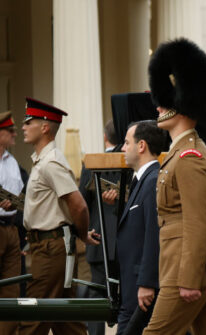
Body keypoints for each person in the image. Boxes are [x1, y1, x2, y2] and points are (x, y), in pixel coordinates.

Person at [143, 38, 206, 334]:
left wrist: (189, 278)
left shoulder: (189, 157)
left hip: (188, 267)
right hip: (190, 263)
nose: (158, 107)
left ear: (181, 107)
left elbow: (196, 221)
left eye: (165, 102)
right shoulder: (180, 153)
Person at [18, 97, 100, 335]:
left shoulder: (50, 163)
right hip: (49, 245)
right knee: (66, 320)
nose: (23, 127)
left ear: (44, 127)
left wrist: (82, 234)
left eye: (28, 122)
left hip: (50, 248)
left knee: (34, 317)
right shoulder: (44, 162)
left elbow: (79, 205)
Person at [102, 120, 165, 334]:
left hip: (142, 287)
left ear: (141, 146)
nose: (123, 148)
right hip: (132, 284)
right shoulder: (142, 180)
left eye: (127, 142)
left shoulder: (153, 180)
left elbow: (154, 234)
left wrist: (147, 282)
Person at [77, 119, 119, 335]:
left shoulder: (91, 163)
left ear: (105, 137)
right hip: (123, 241)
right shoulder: (129, 162)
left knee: (97, 297)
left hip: (98, 239)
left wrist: (83, 233)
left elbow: (81, 203)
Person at [0, 111, 22, 334]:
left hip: (11, 228)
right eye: (10, 131)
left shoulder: (12, 161)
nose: (15, 134)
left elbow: (18, 194)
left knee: (11, 289)